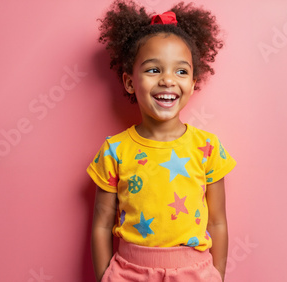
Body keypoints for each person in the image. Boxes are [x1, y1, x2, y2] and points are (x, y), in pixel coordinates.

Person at [88, 0, 236, 281]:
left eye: (181, 71)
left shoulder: (207, 147)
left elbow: (217, 221)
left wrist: (218, 275)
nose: (168, 80)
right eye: (153, 70)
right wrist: (104, 277)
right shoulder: (114, 150)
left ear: (193, 83)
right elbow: (101, 225)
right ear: (130, 82)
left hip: (195, 273)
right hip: (127, 272)